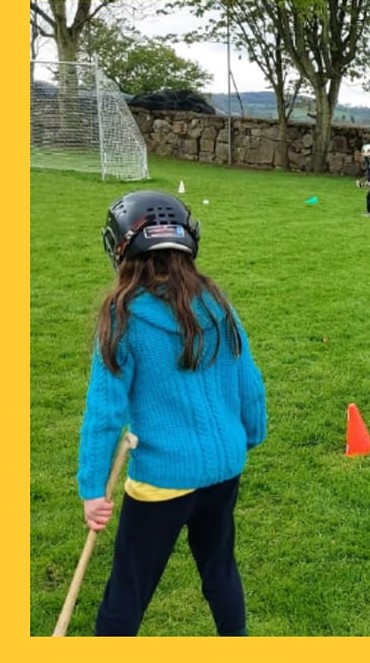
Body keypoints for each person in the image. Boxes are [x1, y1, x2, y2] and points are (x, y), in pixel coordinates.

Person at [79, 190, 268, 636]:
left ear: (120, 248)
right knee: (219, 568)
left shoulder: (122, 315)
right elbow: (251, 384)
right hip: (223, 470)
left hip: (162, 482)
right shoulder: (216, 303)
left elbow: (104, 414)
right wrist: (249, 435)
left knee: (128, 590)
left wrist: (92, 489)